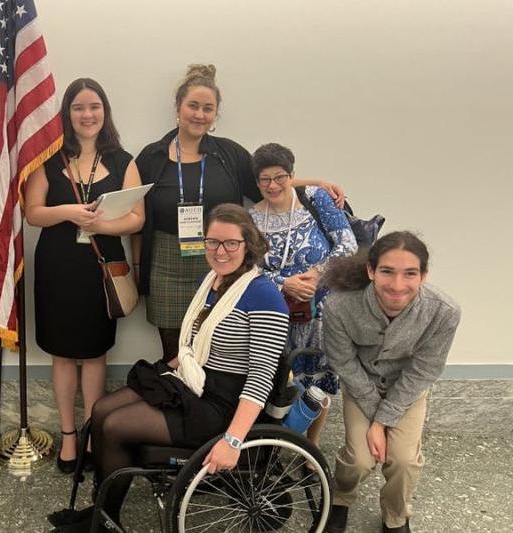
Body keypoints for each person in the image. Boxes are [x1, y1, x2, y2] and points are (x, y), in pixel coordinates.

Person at [53, 204, 290, 532]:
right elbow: (193, 345)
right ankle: (103, 511)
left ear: (248, 244)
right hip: (195, 383)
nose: (220, 251)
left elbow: (261, 379)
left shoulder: (265, 298)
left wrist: (233, 441)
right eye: (212, 242)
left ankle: (106, 519)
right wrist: (164, 370)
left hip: (223, 405)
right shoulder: (213, 282)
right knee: (102, 410)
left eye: (230, 243)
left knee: (115, 426)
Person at [133, 64, 344, 362]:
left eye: (208, 108)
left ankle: (214, 406)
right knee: (173, 348)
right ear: (178, 108)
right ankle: (176, 402)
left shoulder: (229, 154)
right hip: (167, 263)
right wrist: (137, 266)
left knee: (218, 344)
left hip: (222, 257)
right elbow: (136, 215)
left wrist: (315, 183)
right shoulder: (151, 157)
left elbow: (269, 184)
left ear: (215, 115)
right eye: (193, 106)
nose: (199, 114)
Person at [24, 78, 144, 473]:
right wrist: (70, 213)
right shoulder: (50, 158)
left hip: (101, 266)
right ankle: (69, 437)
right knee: (62, 354)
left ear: (104, 112)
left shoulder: (125, 160)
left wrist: (100, 225)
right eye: (78, 107)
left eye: (94, 106)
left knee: (95, 353)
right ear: (67, 114)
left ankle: (94, 433)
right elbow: (33, 212)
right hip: (58, 266)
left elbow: (136, 218)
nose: (87, 115)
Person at [322, 232, 461, 533]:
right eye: (387, 271)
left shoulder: (443, 312)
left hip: (408, 389)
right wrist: (376, 419)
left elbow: (424, 370)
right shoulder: (339, 306)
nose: (397, 286)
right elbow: (343, 362)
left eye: (410, 274)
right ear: (371, 270)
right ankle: (341, 497)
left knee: (403, 460)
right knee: (358, 460)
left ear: (423, 276)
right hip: (361, 384)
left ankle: (396, 516)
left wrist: (382, 421)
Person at [249, 143, 357, 446]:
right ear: (256, 182)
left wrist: (319, 273)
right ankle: (281, 438)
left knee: (320, 378)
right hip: (277, 311)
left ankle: (313, 442)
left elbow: (347, 246)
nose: (273, 185)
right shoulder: (253, 218)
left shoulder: (315, 199)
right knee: (282, 379)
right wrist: (285, 283)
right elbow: (250, 269)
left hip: (321, 309)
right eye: (265, 179)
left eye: (280, 177)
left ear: (292, 175)